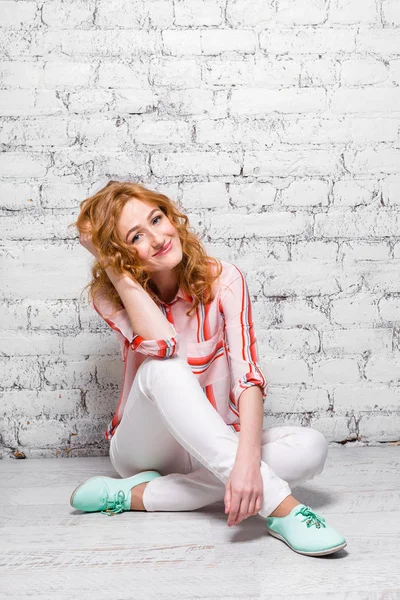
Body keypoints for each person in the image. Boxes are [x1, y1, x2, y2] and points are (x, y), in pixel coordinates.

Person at [69, 180, 347, 557]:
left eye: (157, 218)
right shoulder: (112, 293)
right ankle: (284, 509)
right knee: (164, 368)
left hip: (210, 447)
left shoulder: (225, 279)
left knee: (310, 447)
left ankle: (133, 495)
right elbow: (163, 344)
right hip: (144, 450)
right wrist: (113, 268)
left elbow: (248, 375)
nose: (157, 237)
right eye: (136, 236)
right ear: (119, 253)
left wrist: (247, 464)